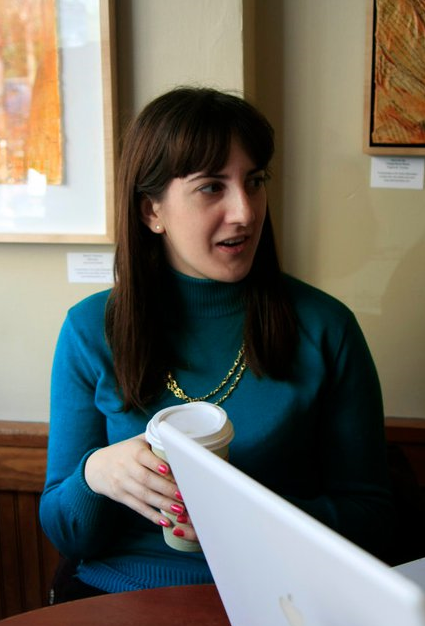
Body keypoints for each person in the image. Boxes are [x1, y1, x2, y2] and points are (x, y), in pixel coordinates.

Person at [40, 86, 395, 601]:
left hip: (282, 597)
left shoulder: (325, 327)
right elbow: (67, 533)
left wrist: (254, 520)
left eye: (255, 181)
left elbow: (373, 518)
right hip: (122, 596)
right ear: (151, 211)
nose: (245, 212)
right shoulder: (90, 329)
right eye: (211, 187)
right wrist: (94, 475)